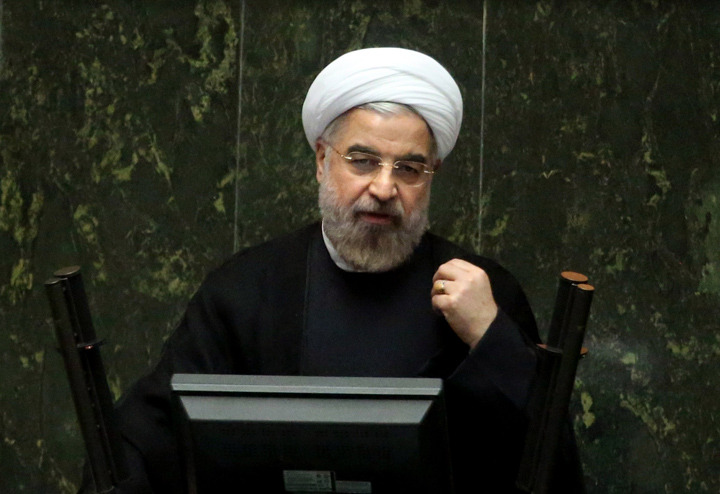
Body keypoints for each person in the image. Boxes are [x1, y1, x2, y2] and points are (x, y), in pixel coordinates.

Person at [88, 47, 584, 493]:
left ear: (431, 176)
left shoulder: (483, 292)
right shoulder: (249, 290)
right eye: (363, 161)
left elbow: (548, 464)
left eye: (409, 169)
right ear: (322, 160)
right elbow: (149, 438)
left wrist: (493, 338)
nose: (384, 188)